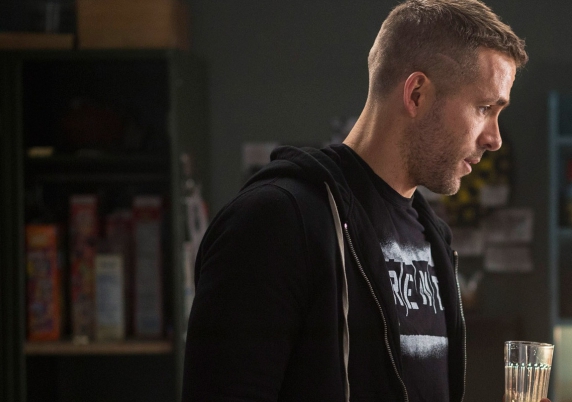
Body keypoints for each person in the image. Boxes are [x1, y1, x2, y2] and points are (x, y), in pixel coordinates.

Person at [182, 1, 526, 401]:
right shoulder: (275, 222)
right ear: (417, 94)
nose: (494, 138)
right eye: (484, 108)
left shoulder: (434, 239)